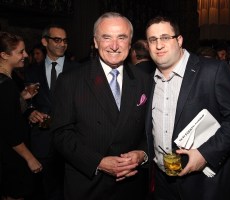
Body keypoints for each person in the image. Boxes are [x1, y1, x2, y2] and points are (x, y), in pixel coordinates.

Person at [145, 16, 230, 200]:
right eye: (153, 40)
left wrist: (205, 154)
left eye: (165, 38)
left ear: (179, 40)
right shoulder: (146, 77)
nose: (158, 45)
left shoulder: (213, 71)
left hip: (203, 184)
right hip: (162, 181)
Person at [52, 12, 150, 200]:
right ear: (96, 42)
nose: (114, 46)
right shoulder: (71, 80)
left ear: (130, 43)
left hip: (131, 185)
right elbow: (61, 134)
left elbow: (152, 130)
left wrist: (142, 154)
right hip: (87, 185)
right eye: (107, 37)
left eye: (121, 37)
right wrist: (98, 162)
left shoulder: (145, 80)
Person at [24, 24, 79, 200]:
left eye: (65, 40)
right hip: (42, 140)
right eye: (57, 40)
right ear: (44, 41)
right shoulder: (32, 71)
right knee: (45, 191)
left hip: (72, 140)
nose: (62, 44)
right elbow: (28, 102)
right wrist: (30, 112)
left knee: (71, 191)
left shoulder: (78, 70)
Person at [0, 31, 42, 200]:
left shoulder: (10, 80)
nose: (26, 55)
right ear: (3, 55)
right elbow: (10, 130)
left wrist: (22, 99)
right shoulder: (5, 85)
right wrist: (30, 158)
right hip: (11, 156)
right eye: (20, 52)